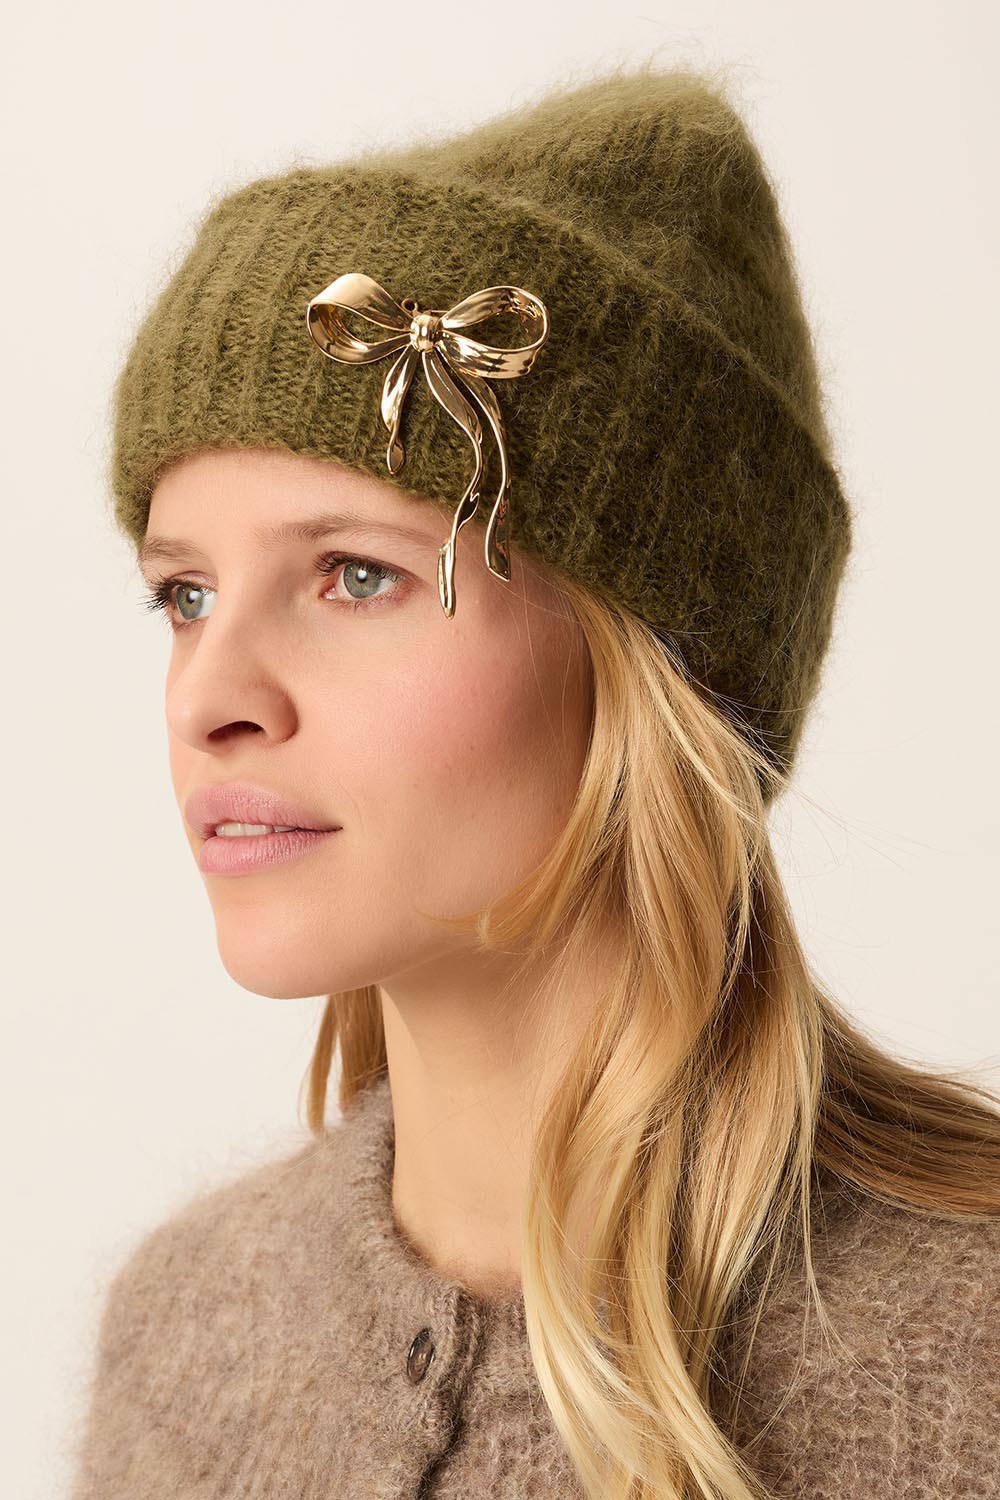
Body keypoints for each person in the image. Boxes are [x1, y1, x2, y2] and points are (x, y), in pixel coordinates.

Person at [68, 60, 1000, 1500]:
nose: (210, 699)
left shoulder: (967, 1358)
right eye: (184, 596)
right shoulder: (185, 1339)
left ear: (651, 666)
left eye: (356, 574)